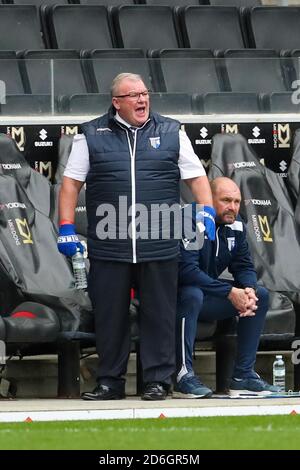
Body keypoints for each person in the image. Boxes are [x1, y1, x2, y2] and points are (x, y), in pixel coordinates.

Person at [57, 73, 215, 401]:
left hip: (159, 240)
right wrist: (66, 227)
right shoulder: (90, 134)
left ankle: (158, 381)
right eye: (134, 96)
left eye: (145, 93)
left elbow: (197, 177)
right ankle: (110, 382)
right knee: (110, 315)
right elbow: (71, 184)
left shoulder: (172, 131)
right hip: (109, 242)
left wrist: (207, 212)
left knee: (159, 314)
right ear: (117, 102)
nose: (142, 100)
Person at [175, 176, 282, 398]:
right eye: (225, 200)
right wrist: (229, 292)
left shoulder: (236, 224)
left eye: (236, 201)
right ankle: (183, 375)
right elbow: (187, 272)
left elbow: (243, 265)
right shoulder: (190, 219)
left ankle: (243, 377)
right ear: (208, 197)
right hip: (174, 297)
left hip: (206, 296)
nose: (232, 207)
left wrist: (248, 289)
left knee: (259, 295)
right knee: (192, 293)